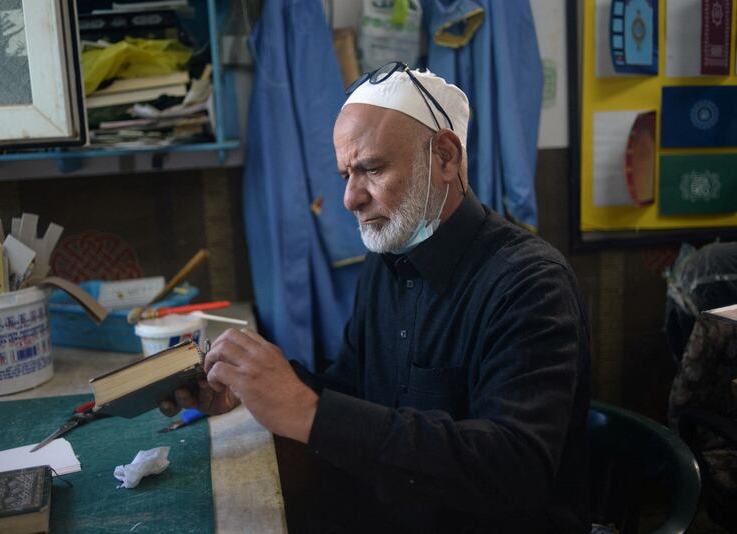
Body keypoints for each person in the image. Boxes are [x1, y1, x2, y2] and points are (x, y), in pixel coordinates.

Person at [161, 64, 591, 533]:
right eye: (347, 173)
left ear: (445, 157)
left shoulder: (528, 283)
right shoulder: (388, 262)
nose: (350, 198)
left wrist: (307, 412)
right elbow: (353, 393)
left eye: (371, 168)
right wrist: (250, 389)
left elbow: (514, 470)